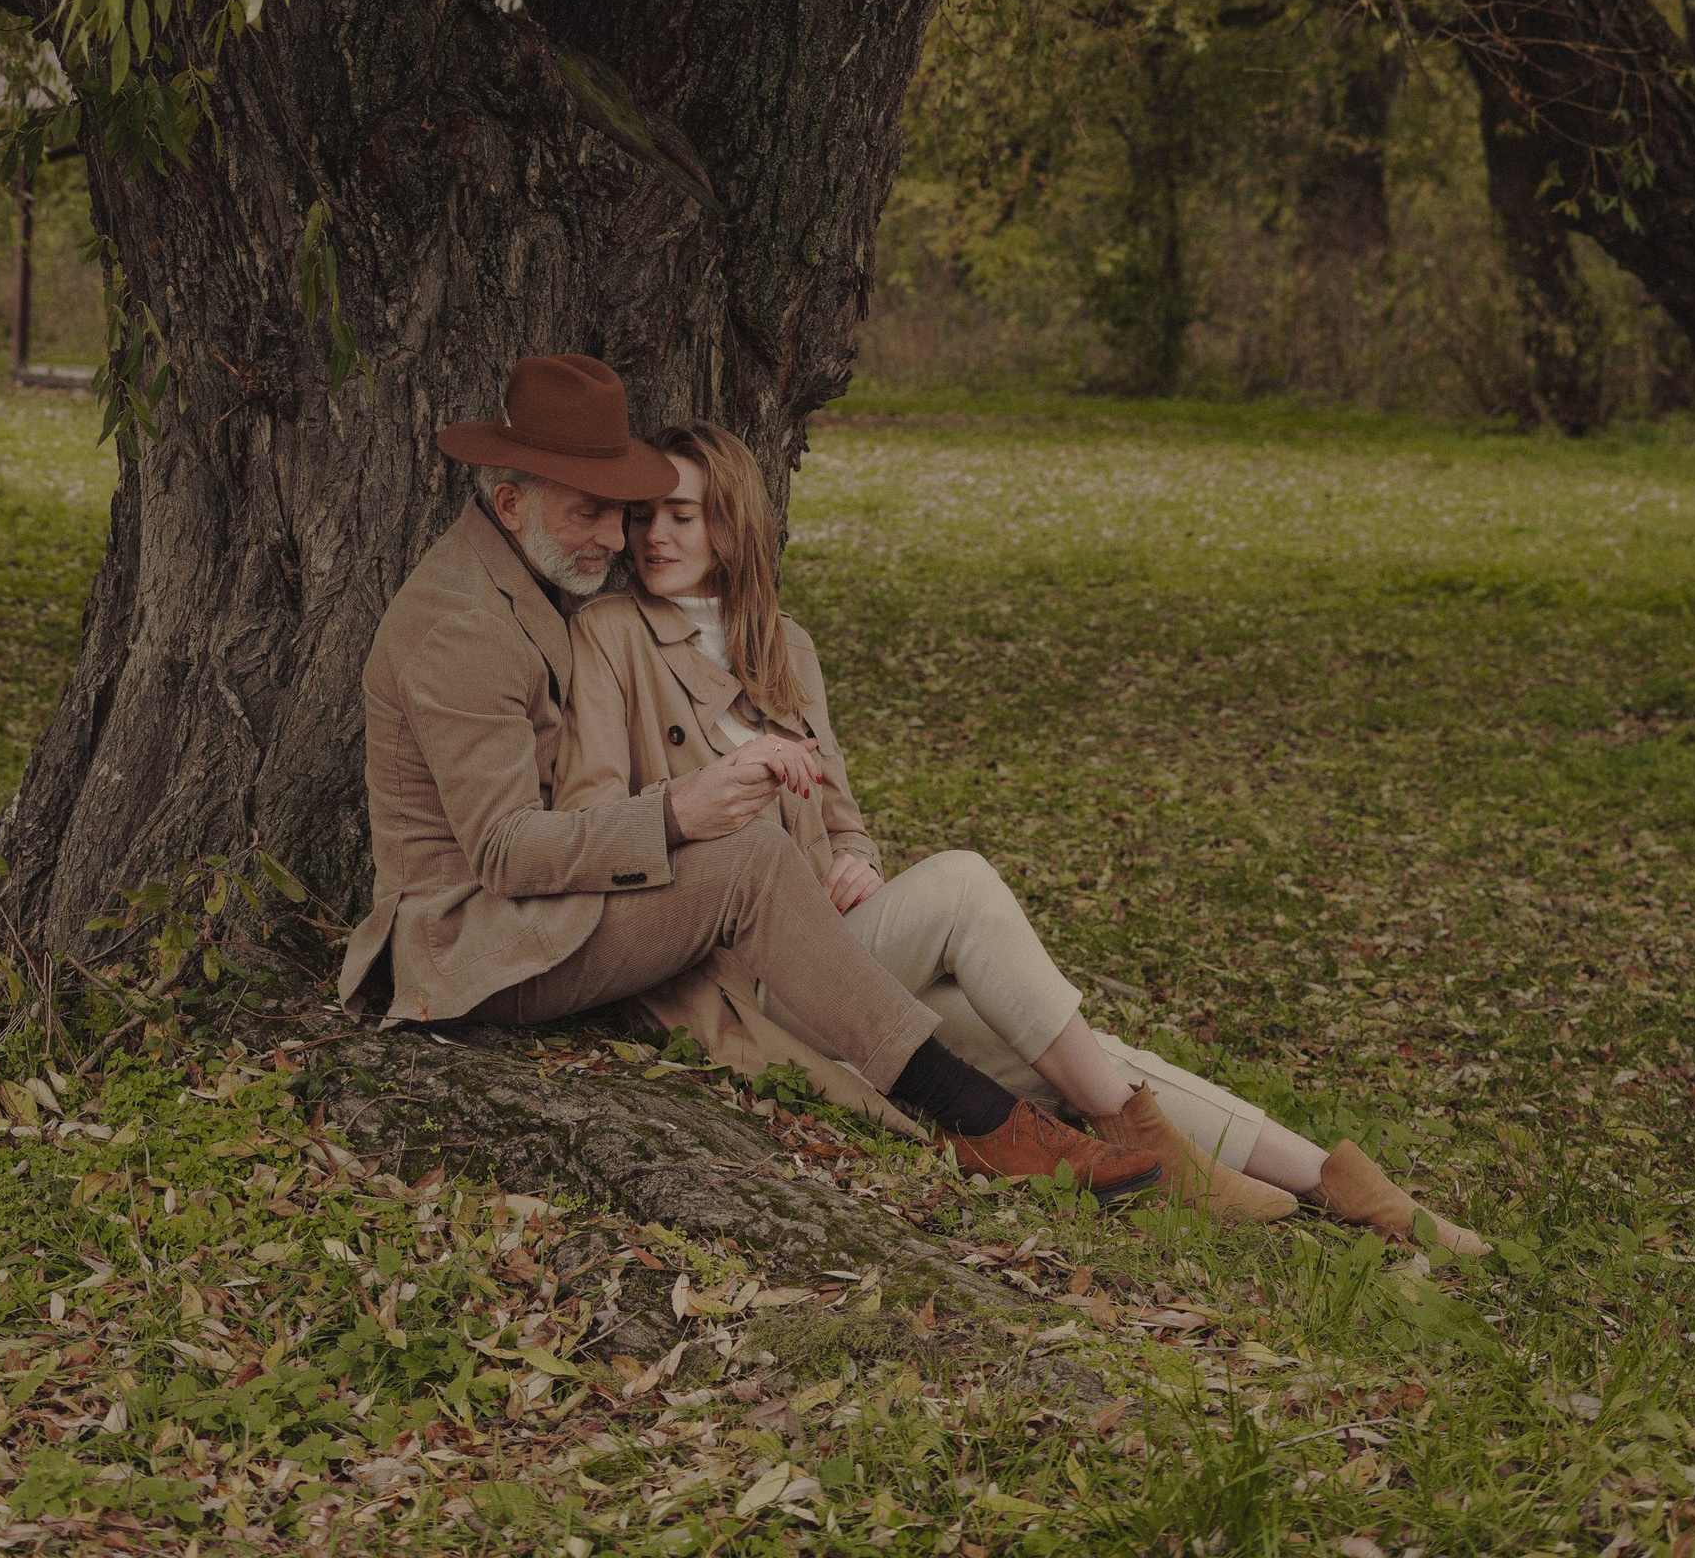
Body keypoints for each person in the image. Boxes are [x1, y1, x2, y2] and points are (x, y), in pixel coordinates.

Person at [559, 420, 1488, 1255]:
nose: (653, 537)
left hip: (844, 942)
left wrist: (857, 860)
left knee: (1072, 1051)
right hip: (745, 967)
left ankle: (1357, 1194)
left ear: (732, 523)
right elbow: (594, 819)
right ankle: (1137, 1133)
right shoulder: (609, 634)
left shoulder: (783, 646)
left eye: (681, 515)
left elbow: (843, 811)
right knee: (963, 886)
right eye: (643, 517)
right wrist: (711, 792)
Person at [337, 355, 1162, 1205]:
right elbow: (505, 852)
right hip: (474, 946)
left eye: (621, 516)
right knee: (750, 855)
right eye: (594, 514)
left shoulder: (518, 577)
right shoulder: (463, 626)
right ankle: (978, 1121)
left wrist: (835, 846)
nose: (618, 542)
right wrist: (678, 810)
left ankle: (1140, 1132)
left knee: (807, 886)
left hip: (555, 905)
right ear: (512, 502)